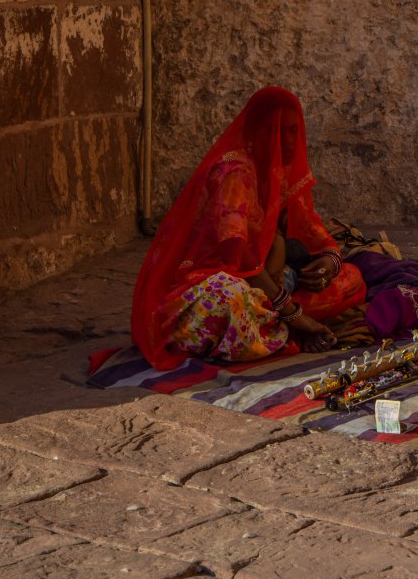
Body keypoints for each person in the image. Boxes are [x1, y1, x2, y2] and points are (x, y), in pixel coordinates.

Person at [131, 86, 366, 371]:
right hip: (206, 281)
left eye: (293, 130)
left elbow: (312, 229)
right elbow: (236, 253)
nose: (287, 141)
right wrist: (290, 311)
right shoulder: (234, 172)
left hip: (266, 282)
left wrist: (328, 263)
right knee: (228, 299)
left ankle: (277, 323)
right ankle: (288, 326)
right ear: (255, 132)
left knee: (350, 278)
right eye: (275, 131)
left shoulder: (279, 175)